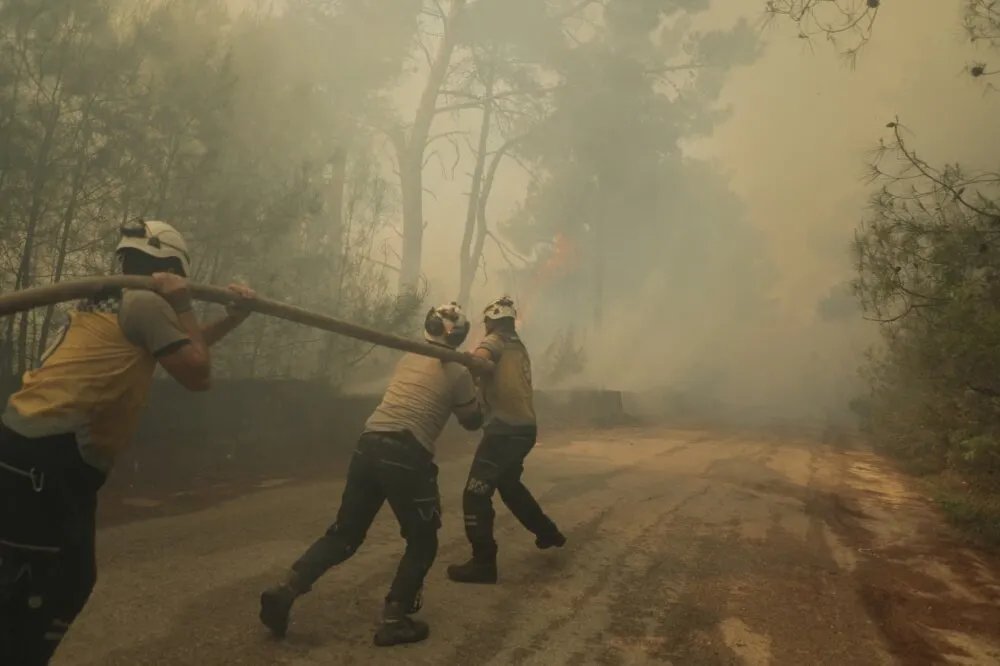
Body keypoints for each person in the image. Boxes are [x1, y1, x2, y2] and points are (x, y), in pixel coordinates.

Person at [0, 219, 254, 666]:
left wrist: (231, 320)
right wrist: (184, 302)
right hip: (47, 459)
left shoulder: (113, 300)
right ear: (172, 265)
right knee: (56, 585)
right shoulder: (145, 303)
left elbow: (180, 349)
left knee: (42, 579)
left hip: (29, 448)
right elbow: (198, 374)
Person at [259, 303, 484, 647]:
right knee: (423, 540)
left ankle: (286, 588)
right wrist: (477, 381)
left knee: (345, 534)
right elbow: (472, 421)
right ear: (460, 335)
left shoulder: (408, 357)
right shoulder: (458, 371)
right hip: (407, 450)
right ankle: (394, 620)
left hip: (369, 442)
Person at [447, 296, 565, 585]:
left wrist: (460, 364)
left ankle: (483, 563)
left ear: (492, 321)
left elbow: (479, 362)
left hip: (504, 432)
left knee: (475, 494)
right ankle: (547, 532)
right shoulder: (518, 348)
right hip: (524, 429)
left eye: (486, 323)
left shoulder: (496, 341)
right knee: (509, 485)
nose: (485, 328)